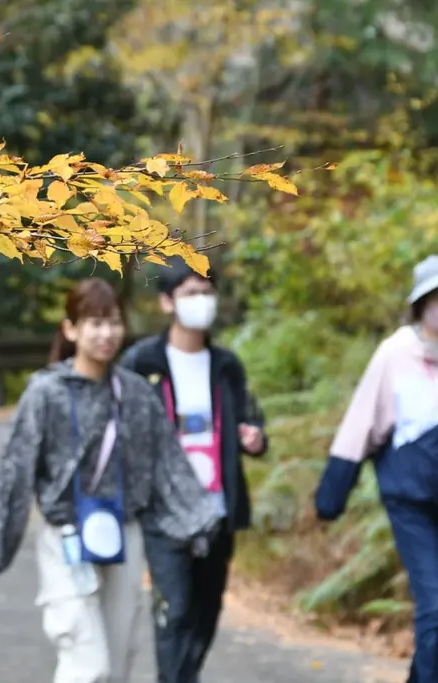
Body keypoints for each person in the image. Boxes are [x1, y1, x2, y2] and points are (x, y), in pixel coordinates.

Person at [0, 277, 221, 683]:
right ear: (71, 329)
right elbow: (14, 472)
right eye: (94, 323)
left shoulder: (137, 394)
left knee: (118, 663)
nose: (106, 334)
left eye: (114, 322)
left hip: (125, 535)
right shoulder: (46, 393)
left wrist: (198, 523)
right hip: (66, 537)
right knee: (88, 665)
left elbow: (167, 464)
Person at [314, 253, 438, 683]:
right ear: (420, 304)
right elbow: (362, 423)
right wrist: (332, 496)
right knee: (435, 599)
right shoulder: (395, 354)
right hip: (410, 498)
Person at [119, 258, 268, 683]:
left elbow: (251, 421)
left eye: (207, 293)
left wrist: (253, 437)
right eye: (190, 294)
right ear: (167, 302)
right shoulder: (142, 363)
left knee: (205, 613)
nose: (201, 302)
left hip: (217, 508)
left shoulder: (226, 365)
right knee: (176, 611)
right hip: (164, 513)